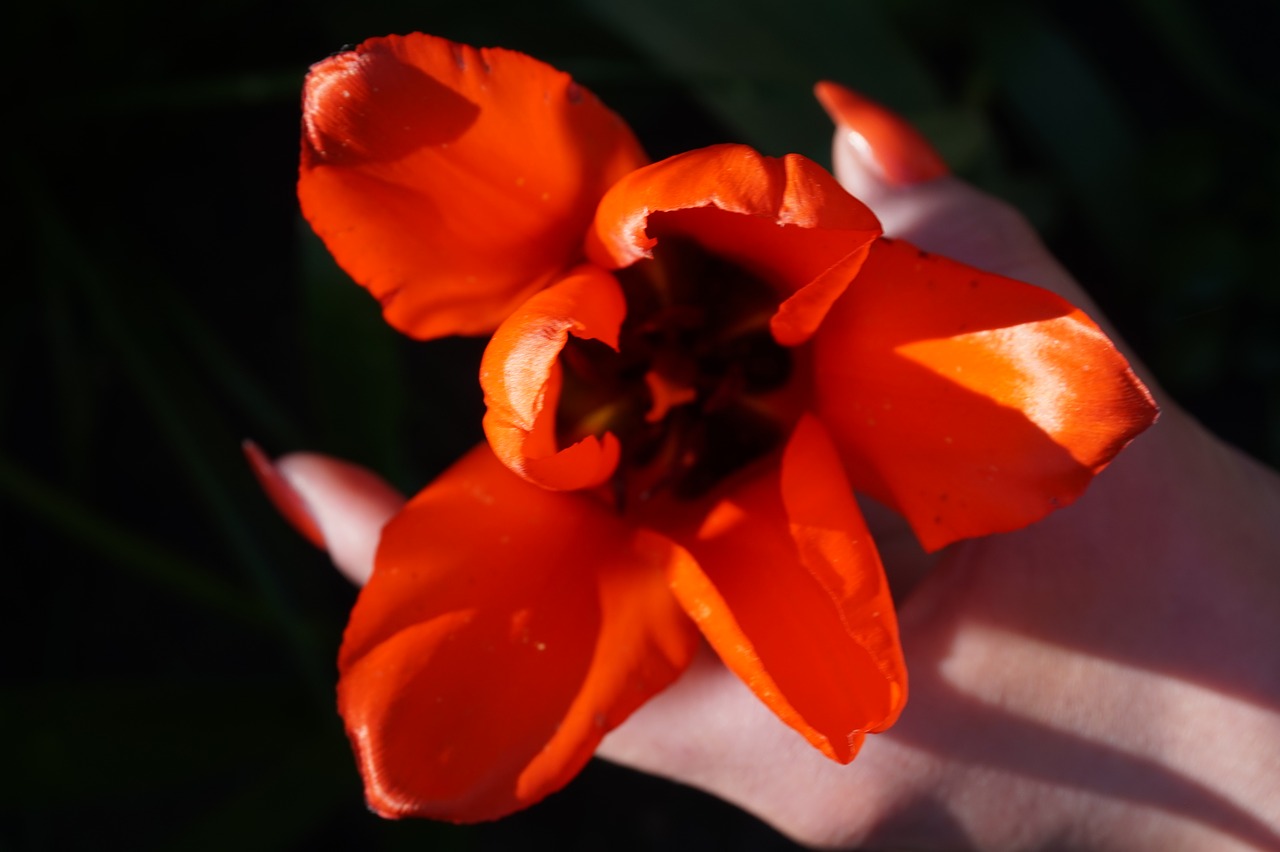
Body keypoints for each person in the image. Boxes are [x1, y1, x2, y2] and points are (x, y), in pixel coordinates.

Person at [252, 86, 1280, 850]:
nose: (657, 385)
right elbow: (385, 122)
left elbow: (1051, 399)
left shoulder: (714, 263)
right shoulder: (590, 276)